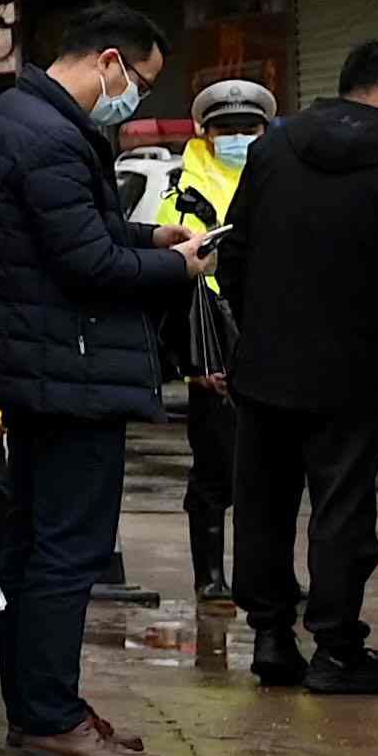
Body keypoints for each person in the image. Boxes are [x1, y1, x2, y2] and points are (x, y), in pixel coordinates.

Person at [0, 5, 206, 756]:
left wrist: (150, 239)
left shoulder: (21, 120)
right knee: (66, 552)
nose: (129, 95)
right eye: (135, 80)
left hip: (44, 370)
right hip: (68, 374)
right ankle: (50, 717)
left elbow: (76, 237)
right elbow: (85, 267)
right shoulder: (50, 137)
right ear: (107, 61)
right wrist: (178, 270)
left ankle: (40, 707)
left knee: (35, 545)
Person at [214, 41, 378, 698]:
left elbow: (232, 253)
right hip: (354, 372)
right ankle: (336, 650)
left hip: (264, 364)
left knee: (261, 503)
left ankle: (269, 635)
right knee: (341, 510)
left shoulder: (272, 150)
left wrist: (253, 330)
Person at [163, 77, 277, 625]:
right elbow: (179, 280)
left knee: (275, 471)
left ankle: (270, 576)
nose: (237, 138)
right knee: (216, 470)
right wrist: (201, 360)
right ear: (205, 134)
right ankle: (210, 575)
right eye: (225, 130)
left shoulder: (281, 178)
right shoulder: (183, 192)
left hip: (274, 338)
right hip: (211, 345)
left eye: (247, 129)